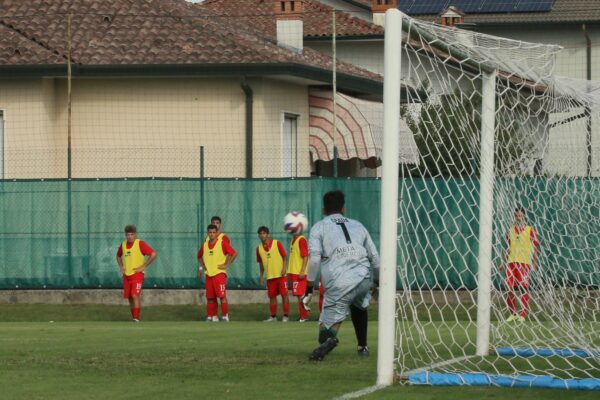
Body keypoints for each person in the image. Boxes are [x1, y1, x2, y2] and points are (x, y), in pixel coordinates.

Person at [302, 190, 380, 361]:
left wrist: (309, 288)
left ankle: (329, 340)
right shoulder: (358, 225)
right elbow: (375, 258)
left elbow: (314, 260)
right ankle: (363, 347)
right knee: (359, 306)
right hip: (364, 276)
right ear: (343, 209)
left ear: (324, 210)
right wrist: (377, 281)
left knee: (325, 330)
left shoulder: (319, 227)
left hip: (340, 280)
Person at [502, 206, 539, 322]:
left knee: (523, 288)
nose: (519, 218)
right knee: (509, 288)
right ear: (514, 216)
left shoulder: (530, 230)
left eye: (521, 216)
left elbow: (536, 247)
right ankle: (513, 314)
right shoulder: (511, 230)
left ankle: (522, 315)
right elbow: (508, 247)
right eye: (517, 216)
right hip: (511, 263)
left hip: (524, 263)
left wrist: (535, 262)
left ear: (524, 216)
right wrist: (502, 262)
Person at [116, 224, 157, 322]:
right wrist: (121, 266)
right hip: (126, 275)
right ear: (125, 235)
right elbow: (118, 256)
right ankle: (134, 317)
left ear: (135, 235)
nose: (129, 236)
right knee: (130, 297)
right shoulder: (123, 245)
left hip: (137, 275)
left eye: (132, 234)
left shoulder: (140, 244)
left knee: (135, 295)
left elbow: (153, 254)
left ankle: (136, 318)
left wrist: (143, 266)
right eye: (128, 235)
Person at [198, 224, 237, 322]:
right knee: (210, 298)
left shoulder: (222, 243)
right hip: (209, 274)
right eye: (210, 232)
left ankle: (225, 316)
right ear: (208, 233)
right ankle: (212, 316)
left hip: (219, 274)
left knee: (222, 296)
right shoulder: (205, 245)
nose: (211, 234)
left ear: (217, 233)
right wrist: (203, 267)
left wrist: (226, 264)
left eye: (213, 232)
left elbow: (234, 253)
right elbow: (199, 256)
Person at [256, 226, 290, 322]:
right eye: (260, 234)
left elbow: (284, 256)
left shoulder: (276, 243)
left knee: (284, 295)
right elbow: (261, 264)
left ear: (268, 234)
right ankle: (273, 316)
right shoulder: (258, 249)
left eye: (264, 233)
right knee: (272, 297)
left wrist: (284, 268)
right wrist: (261, 276)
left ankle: (286, 316)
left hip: (281, 275)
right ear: (259, 236)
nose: (262, 235)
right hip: (270, 277)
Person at [287, 228, 310, 322]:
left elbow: (305, 256)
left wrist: (302, 271)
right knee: (298, 295)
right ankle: (302, 316)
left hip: (299, 272)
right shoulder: (293, 240)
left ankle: (304, 317)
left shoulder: (301, 240)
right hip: (294, 272)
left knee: (301, 295)